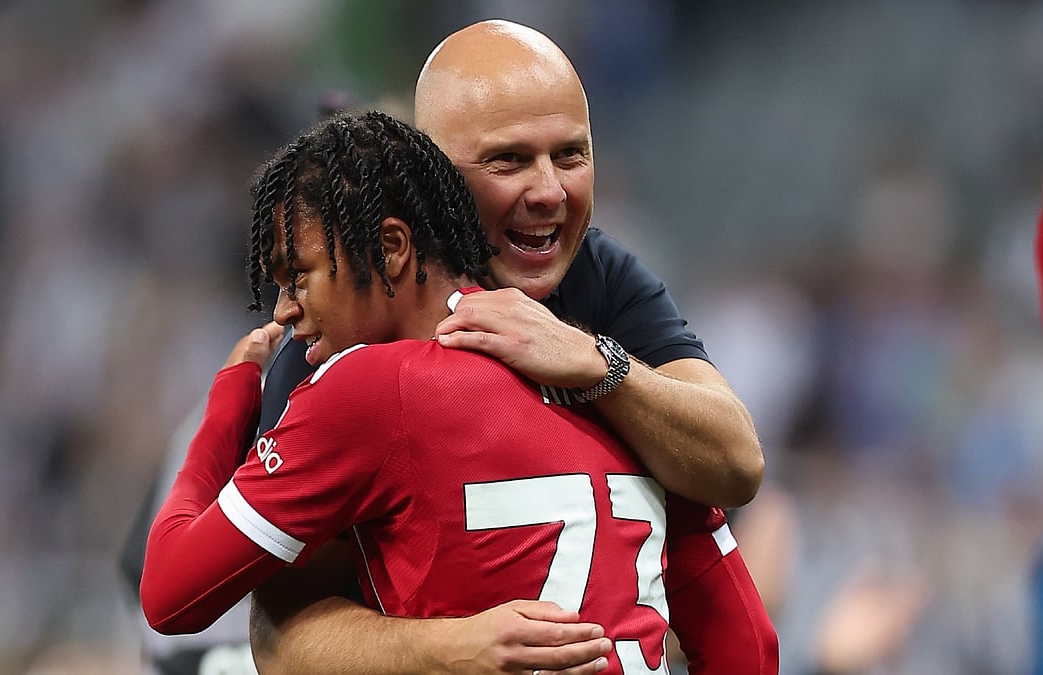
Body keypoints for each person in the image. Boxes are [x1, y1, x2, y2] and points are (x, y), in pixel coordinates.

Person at [246, 20, 776, 675]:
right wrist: (455, 650)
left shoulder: (597, 277)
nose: (550, 191)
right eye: (510, 160)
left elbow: (735, 461)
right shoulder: (342, 325)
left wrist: (596, 364)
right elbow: (278, 638)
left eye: (571, 154)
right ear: (429, 176)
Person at [141, 110, 674, 673]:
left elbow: (169, 595)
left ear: (392, 247)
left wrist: (227, 404)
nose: (285, 312)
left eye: (298, 276)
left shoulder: (365, 386)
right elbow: (747, 637)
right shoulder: (621, 385)